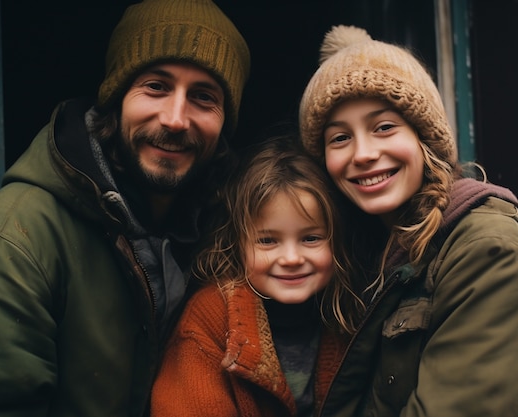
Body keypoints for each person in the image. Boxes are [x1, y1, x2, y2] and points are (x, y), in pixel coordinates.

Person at [0, 0, 249, 415]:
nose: (175, 118)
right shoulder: (13, 242)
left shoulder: (227, 236)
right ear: (115, 98)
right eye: (156, 86)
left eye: (203, 97)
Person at [298, 25, 518, 417]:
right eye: (339, 138)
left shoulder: (488, 250)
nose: (362, 153)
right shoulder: (361, 250)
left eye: (384, 127)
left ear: (424, 139)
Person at [150, 135, 364, 417]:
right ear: (238, 244)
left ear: (337, 242)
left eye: (311, 238)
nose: (291, 259)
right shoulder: (211, 319)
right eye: (267, 241)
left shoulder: (349, 313)